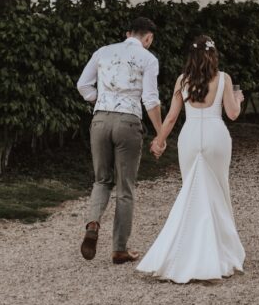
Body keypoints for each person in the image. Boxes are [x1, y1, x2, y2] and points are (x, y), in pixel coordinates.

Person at [136, 35, 246, 283]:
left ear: (191, 56)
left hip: (190, 137)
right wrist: (238, 100)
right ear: (213, 55)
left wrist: (159, 140)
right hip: (216, 137)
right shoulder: (224, 78)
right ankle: (221, 251)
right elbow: (232, 114)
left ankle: (187, 252)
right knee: (219, 190)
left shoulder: (182, 80)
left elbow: (172, 117)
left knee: (191, 191)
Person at [76, 17, 163, 264]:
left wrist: (100, 99)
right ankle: (119, 249)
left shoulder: (102, 52)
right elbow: (150, 99)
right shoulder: (148, 58)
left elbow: (82, 85)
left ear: (127, 34)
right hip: (128, 121)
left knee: (102, 180)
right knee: (125, 187)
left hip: (100, 120)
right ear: (148, 38)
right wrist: (160, 133)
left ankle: (93, 224)